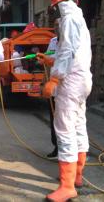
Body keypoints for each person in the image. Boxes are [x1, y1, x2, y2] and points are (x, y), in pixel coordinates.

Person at [37, 0, 92, 202]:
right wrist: (50, 61)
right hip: (81, 80)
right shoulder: (81, 21)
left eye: (54, 7)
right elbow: (72, 53)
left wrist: (53, 79)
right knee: (78, 126)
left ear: (59, 4)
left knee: (64, 130)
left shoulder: (68, 20)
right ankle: (77, 176)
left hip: (70, 82)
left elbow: (68, 51)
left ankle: (67, 187)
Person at [44, 20, 59, 160]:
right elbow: (49, 56)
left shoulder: (73, 41)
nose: (57, 29)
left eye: (59, 27)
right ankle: (56, 147)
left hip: (68, 89)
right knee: (54, 118)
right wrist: (45, 58)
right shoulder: (54, 41)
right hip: (54, 88)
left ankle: (71, 153)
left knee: (66, 122)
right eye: (55, 27)